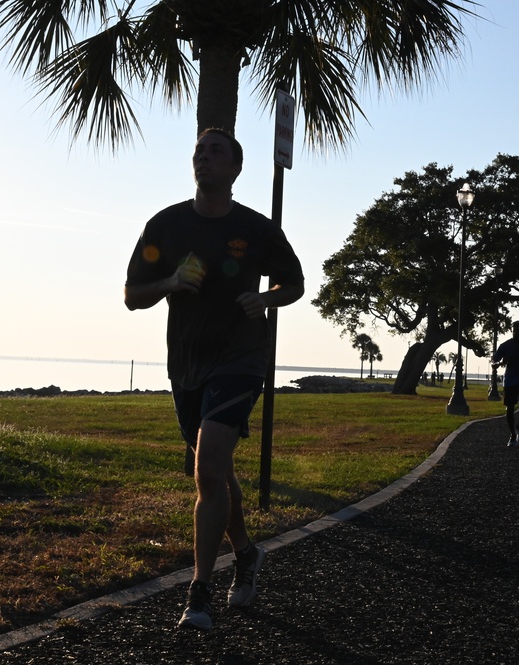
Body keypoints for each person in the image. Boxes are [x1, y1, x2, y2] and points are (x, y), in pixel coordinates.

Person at [124, 128, 305, 631]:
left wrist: (266, 299)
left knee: (207, 472)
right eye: (199, 151)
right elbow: (132, 294)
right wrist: (170, 282)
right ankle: (245, 553)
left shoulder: (257, 229)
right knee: (217, 472)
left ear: (235, 169)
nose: (204, 157)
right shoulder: (166, 225)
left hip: (241, 357)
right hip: (186, 364)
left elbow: (295, 282)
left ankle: (199, 592)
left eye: (216, 151)